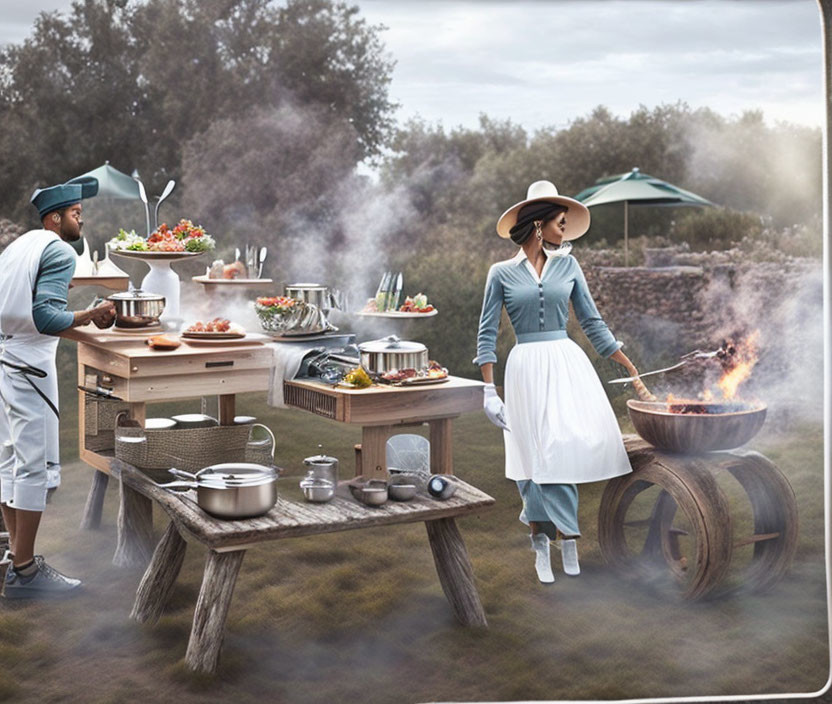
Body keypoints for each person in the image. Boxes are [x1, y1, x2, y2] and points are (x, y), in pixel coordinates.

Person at [474, 180, 654, 584]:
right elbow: (486, 333)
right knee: (529, 457)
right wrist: (489, 390)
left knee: (560, 450)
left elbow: (591, 321)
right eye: (560, 222)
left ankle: (568, 538)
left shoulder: (569, 266)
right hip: (522, 369)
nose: (565, 229)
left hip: (563, 363)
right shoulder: (500, 273)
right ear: (538, 227)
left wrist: (627, 364)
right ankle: (540, 541)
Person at [0, 178, 116, 598]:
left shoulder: (19, 247)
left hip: (6, 359)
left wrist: (85, 329)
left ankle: (15, 556)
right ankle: (25, 572)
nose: (80, 219)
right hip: (31, 369)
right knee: (34, 467)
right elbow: (47, 318)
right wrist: (93, 313)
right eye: (75, 214)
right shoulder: (59, 251)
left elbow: (26, 316)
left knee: (10, 460)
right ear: (55, 218)